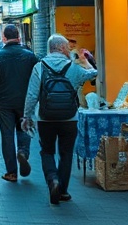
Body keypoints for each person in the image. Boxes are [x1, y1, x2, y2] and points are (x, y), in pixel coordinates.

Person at [23, 34, 97, 204]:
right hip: (69, 118)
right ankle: (63, 191)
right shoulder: (73, 66)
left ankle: (52, 180)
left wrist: (27, 116)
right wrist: (87, 60)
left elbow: (32, 95)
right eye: (67, 47)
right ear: (62, 48)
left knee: (47, 151)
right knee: (66, 153)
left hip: (45, 117)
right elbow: (93, 74)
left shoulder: (39, 67)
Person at [0, 23, 40, 182]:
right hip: (25, 102)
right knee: (24, 129)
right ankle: (23, 152)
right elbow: (38, 79)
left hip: (4, 103)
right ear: (19, 37)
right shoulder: (30, 55)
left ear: (4, 38)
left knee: (7, 136)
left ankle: (11, 172)